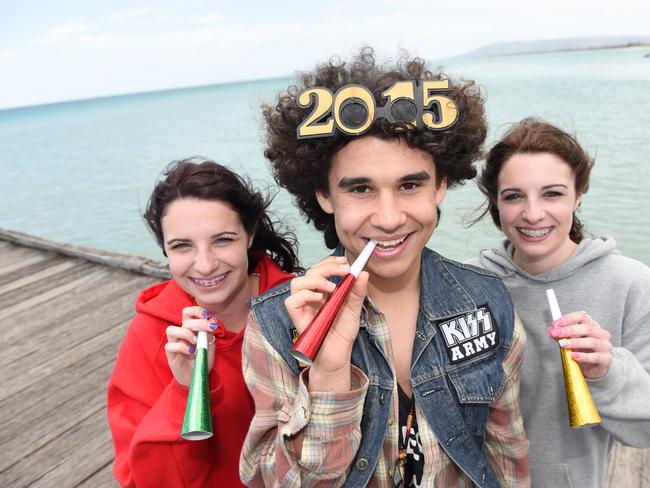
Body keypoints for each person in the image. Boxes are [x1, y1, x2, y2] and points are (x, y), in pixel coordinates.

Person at [239, 48, 529, 487]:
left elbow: (508, 455)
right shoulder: (276, 324)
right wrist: (329, 376)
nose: (389, 217)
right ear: (323, 195)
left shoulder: (488, 303)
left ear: (442, 185)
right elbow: (269, 481)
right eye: (360, 189)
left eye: (410, 184)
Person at [470, 118, 650, 487]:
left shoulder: (630, 283)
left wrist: (607, 372)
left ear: (578, 194)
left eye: (552, 194)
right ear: (495, 201)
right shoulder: (468, 284)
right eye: (514, 195)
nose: (533, 213)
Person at [107, 158, 301, 487]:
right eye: (182, 246)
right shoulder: (151, 336)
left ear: (250, 234)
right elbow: (147, 481)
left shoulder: (299, 309)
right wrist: (186, 389)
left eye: (223, 239)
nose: (205, 265)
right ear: (165, 250)